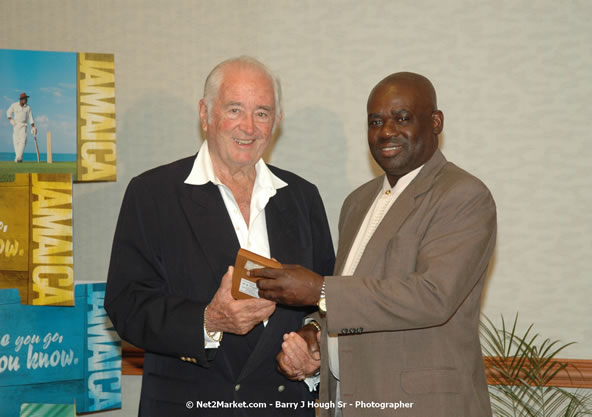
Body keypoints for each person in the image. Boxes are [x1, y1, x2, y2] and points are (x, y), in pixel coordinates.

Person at [250, 72, 497, 417]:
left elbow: (433, 296)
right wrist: (315, 333)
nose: (386, 131)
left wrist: (321, 290)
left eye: (402, 118)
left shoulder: (461, 194)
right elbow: (360, 299)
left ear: (436, 122)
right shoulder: (358, 202)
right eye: (376, 121)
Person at [105, 56, 335, 417]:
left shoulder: (303, 197)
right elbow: (127, 307)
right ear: (205, 113)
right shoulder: (153, 193)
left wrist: (313, 347)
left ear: (276, 121)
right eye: (234, 110)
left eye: (262, 113)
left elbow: (325, 298)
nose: (248, 127)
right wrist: (208, 321)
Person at [6, 92, 36, 162]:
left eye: (26, 99)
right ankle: (19, 158)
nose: (26, 100)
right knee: (16, 141)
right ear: (21, 99)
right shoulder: (14, 105)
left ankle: (18, 157)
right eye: (25, 99)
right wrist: (11, 120)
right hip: (16, 125)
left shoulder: (28, 107)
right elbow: (8, 112)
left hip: (23, 125)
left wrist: (33, 127)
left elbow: (31, 118)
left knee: (23, 140)